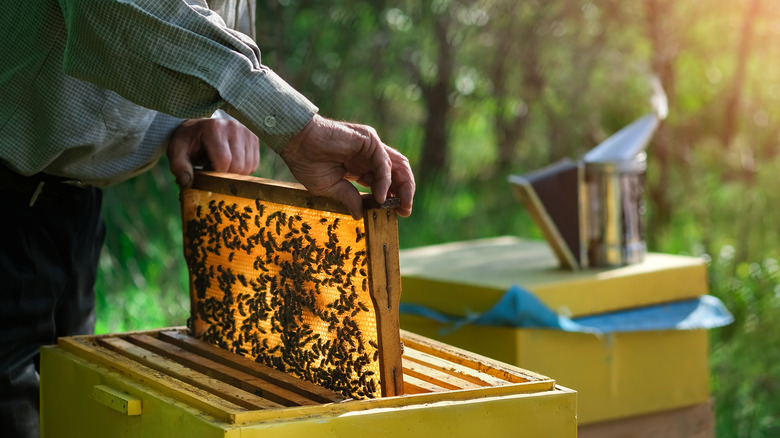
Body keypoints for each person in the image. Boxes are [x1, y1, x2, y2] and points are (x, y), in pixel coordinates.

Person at [0, 1, 415, 436]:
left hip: (76, 206)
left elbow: (201, 37)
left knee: (74, 409)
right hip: (8, 190)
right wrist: (295, 126)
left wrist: (203, 120)